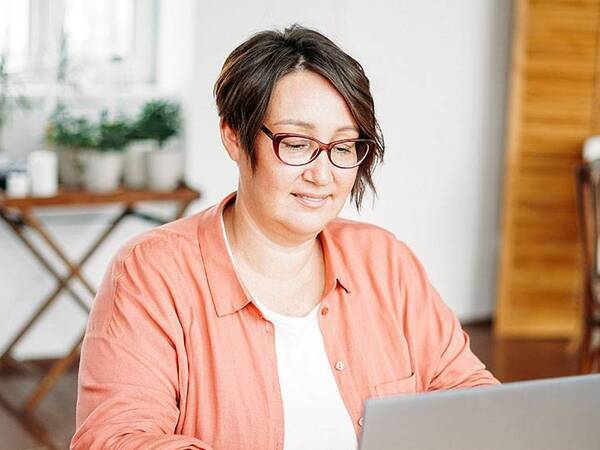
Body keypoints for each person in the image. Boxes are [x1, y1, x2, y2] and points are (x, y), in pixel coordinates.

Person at [70, 25, 498, 450]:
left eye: (343, 147)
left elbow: (465, 389)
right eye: (296, 143)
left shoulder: (385, 260)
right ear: (234, 137)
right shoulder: (152, 272)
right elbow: (117, 438)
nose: (322, 175)